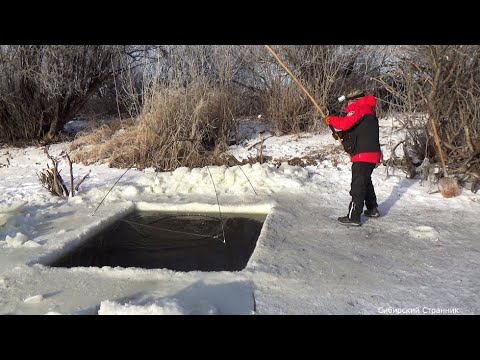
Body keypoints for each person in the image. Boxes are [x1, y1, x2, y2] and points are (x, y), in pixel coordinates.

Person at [324, 89, 382, 226]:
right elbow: (357, 131)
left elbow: (344, 123)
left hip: (363, 155)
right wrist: (342, 135)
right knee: (365, 182)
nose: (347, 105)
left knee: (358, 185)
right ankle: (372, 208)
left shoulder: (359, 108)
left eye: (348, 102)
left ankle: (354, 217)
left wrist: (331, 119)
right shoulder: (368, 110)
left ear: (353, 100)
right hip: (371, 154)